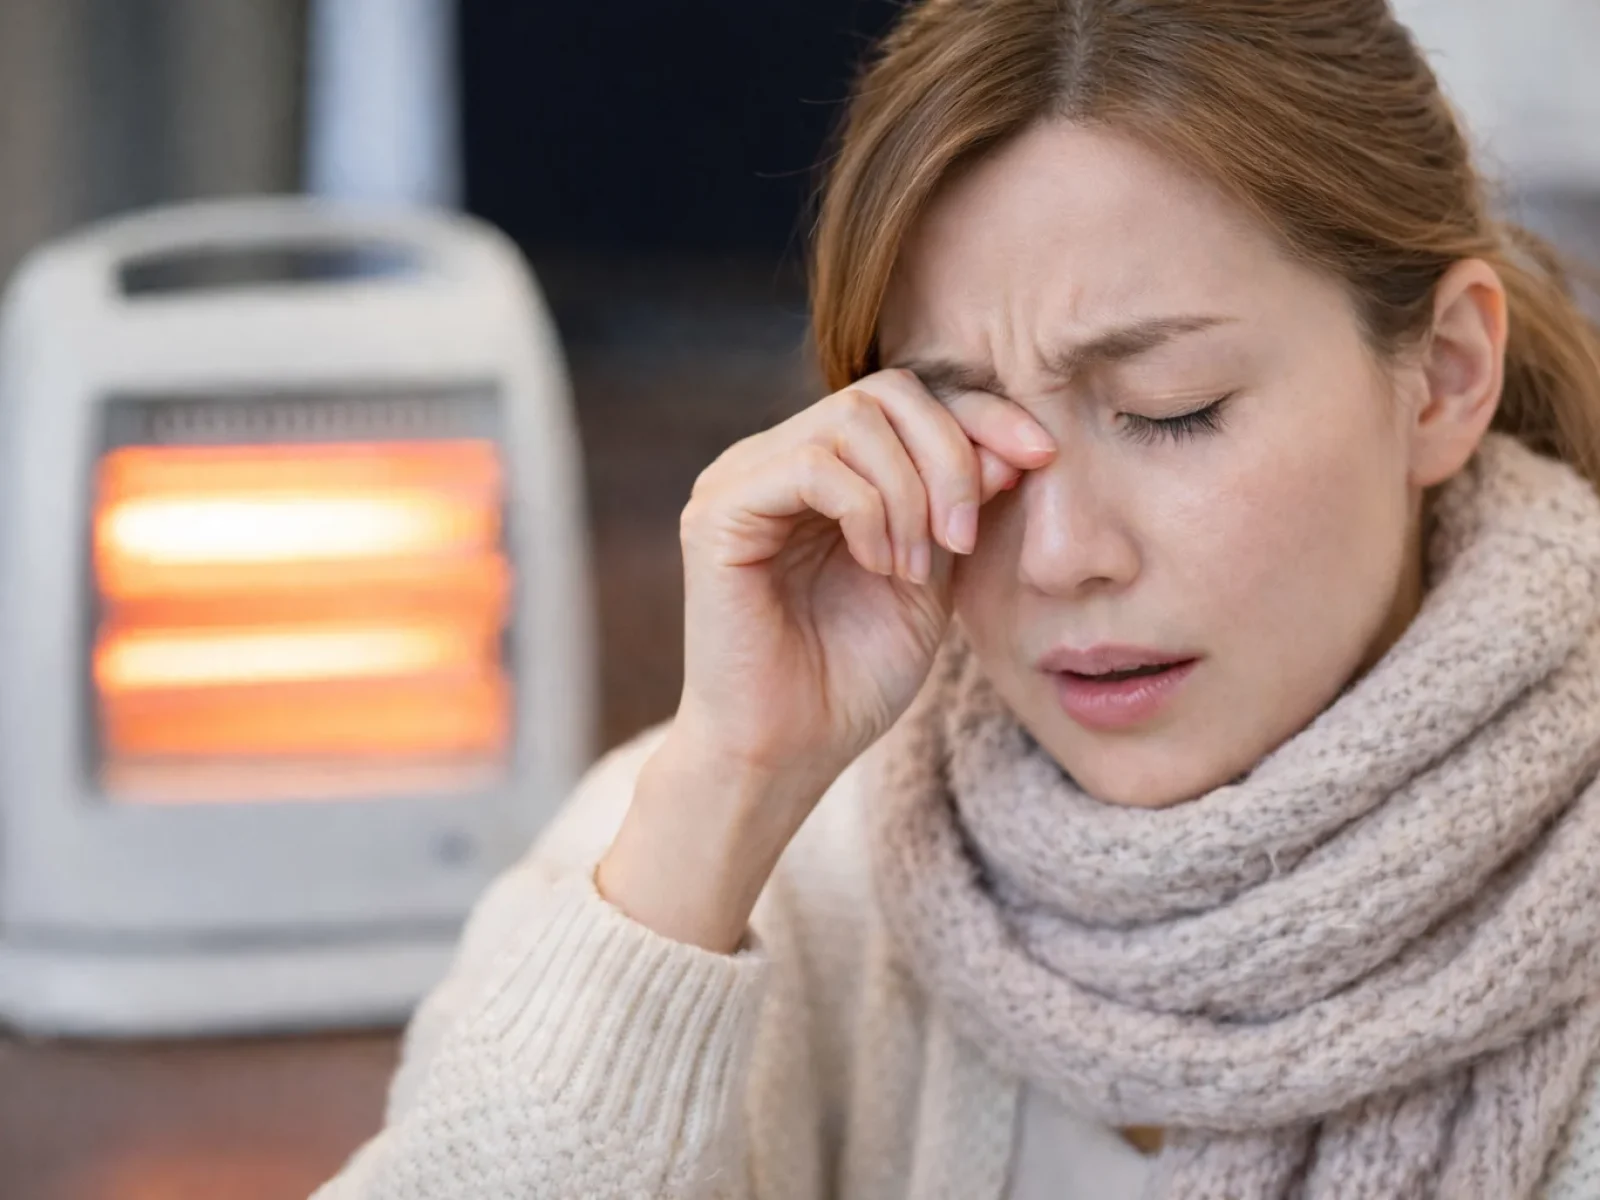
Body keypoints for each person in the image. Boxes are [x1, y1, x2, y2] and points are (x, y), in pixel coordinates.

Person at [315, 1, 1600, 1196]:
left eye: (1172, 412)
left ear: (1442, 375)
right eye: (963, 432)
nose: (1055, 555)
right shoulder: (743, 858)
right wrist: (725, 791)